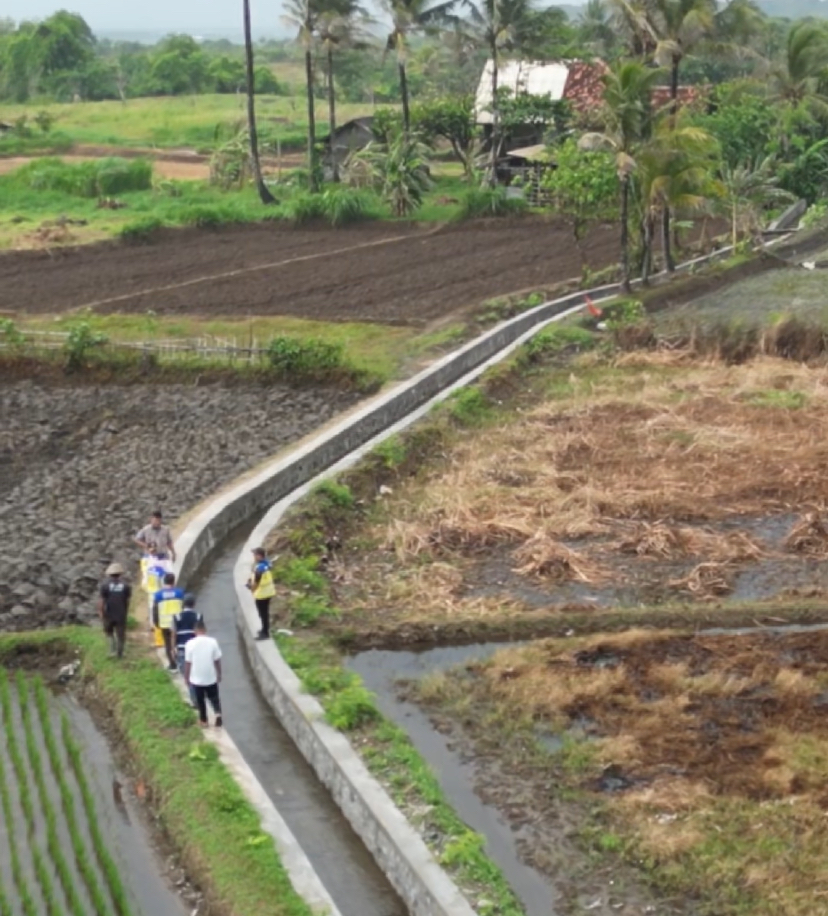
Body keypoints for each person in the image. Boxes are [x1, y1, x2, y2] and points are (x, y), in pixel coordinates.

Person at [184, 620, 223, 729]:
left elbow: (188, 662)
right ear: (205, 630)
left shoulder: (190, 644)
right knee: (214, 697)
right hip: (210, 676)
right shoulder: (213, 642)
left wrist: (186, 677)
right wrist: (219, 673)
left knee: (200, 700)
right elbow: (217, 660)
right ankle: (218, 714)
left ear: (194, 631)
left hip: (196, 678)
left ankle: (204, 721)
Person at [173, 594, 203, 707]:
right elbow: (201, 633)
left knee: (187, 676)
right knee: (197, 675)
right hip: (197, 650)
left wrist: (173, 648)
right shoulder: (198, 616)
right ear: (194, 604)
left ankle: (195, 701)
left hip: (182, 649)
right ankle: (199, 699)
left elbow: (173, 634)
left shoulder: (177, 617)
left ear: (183, 604)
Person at [98, 563, 131, 659]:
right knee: (121, 634)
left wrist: (101, 612)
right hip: (121, 613)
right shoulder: (126, 586)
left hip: (109, 613)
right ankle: (120, 653)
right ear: (120, 574)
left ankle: (111, 651)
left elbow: (102, 600)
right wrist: (125, 610)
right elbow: (127, 599)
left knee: (109, 632)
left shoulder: (105, 585)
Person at [153, 572, 184, 672]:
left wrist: (156, 623)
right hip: (177, 623)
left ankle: (173, 664)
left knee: (168, 645)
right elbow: (183, 607)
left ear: (164, 581)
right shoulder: (180, 593)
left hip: (164, 624)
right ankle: (181, 662)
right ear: (173, 581)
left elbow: (155, 610)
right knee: (178, 643)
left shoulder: (158, 595)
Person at [246, 546, 276, 641]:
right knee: (264, 613)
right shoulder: (266, 564)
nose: (253, 557)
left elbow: (256, 583)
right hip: (268, 592)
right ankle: (264, 629)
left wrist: (251, 588)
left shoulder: (260, 569)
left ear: (259, 556)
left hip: (262, 594)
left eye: (255, 555)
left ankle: (265, 633)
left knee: (262, 614)